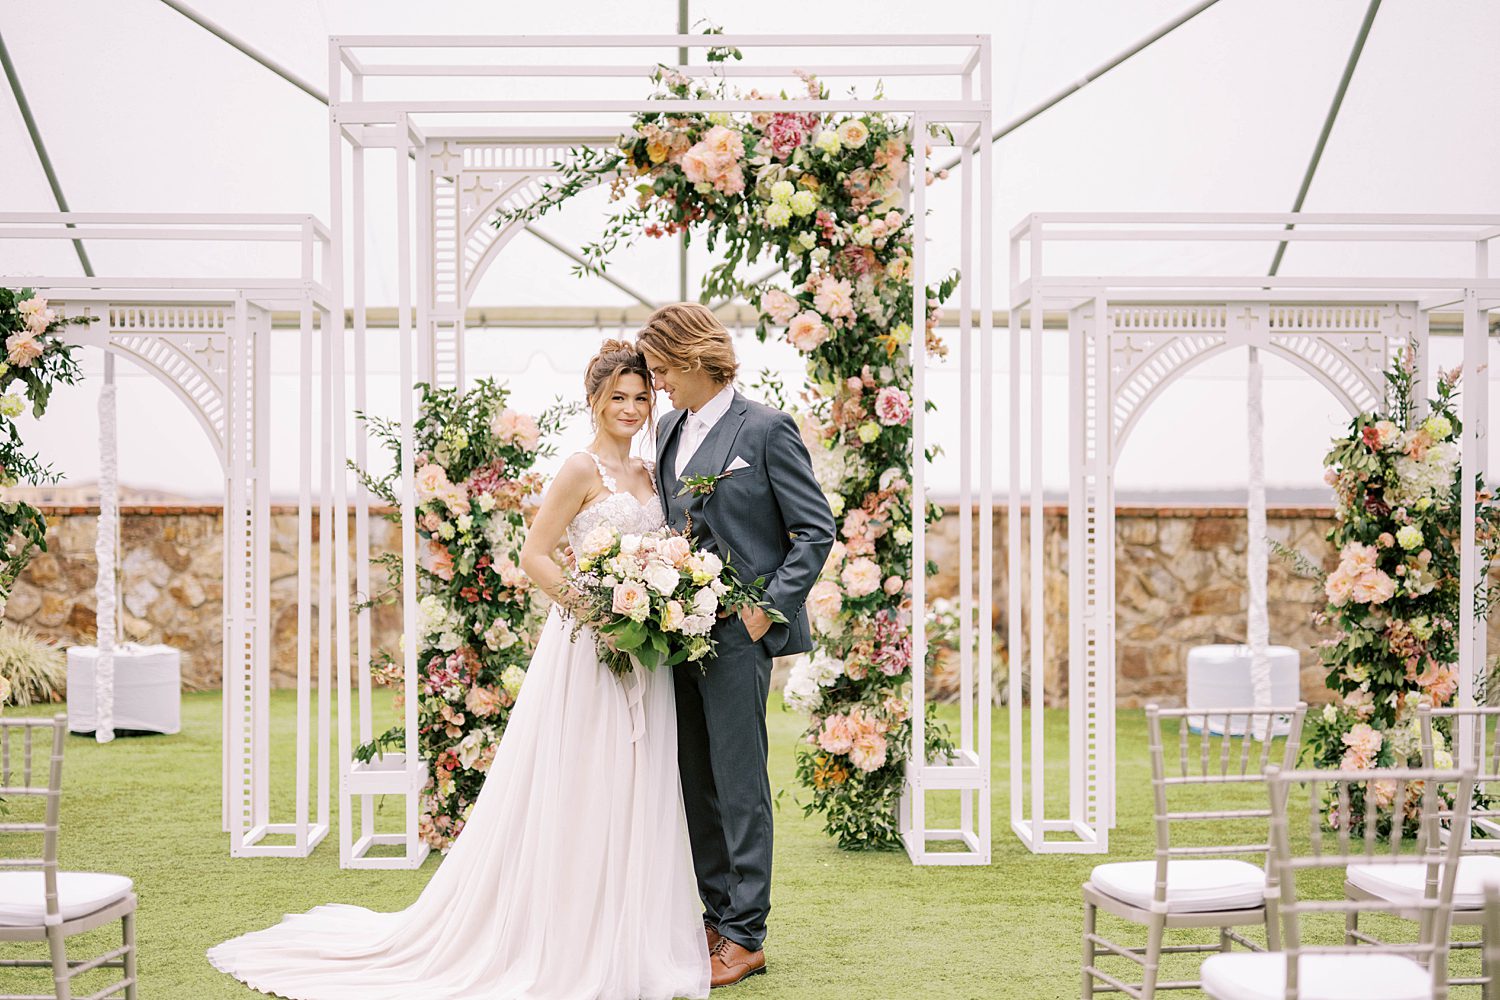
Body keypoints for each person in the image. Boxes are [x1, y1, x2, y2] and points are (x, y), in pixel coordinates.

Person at [208, 341, 709, 1000]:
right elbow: (535, 555)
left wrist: (659, 601)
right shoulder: (578, 470)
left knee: (639, 787)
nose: (631, 407)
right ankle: (567, 935)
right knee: (587, 782)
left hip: (645, 656)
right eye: (618, 396)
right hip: (589, 649)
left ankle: (633, 932)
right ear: (594, 400)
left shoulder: (651, 472)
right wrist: (594, 607)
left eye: (641, 397)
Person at [637, 303, 835, 989]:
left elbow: (814, 531)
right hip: (674, 635)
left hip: (737, 636)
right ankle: (717, 919)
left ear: (694, 360)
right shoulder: (667, 429)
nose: (657, 383)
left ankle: (747, 936)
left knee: (739, 783)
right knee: (695, 780)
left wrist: (764, 614)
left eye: (662, 370)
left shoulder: (768, 428)